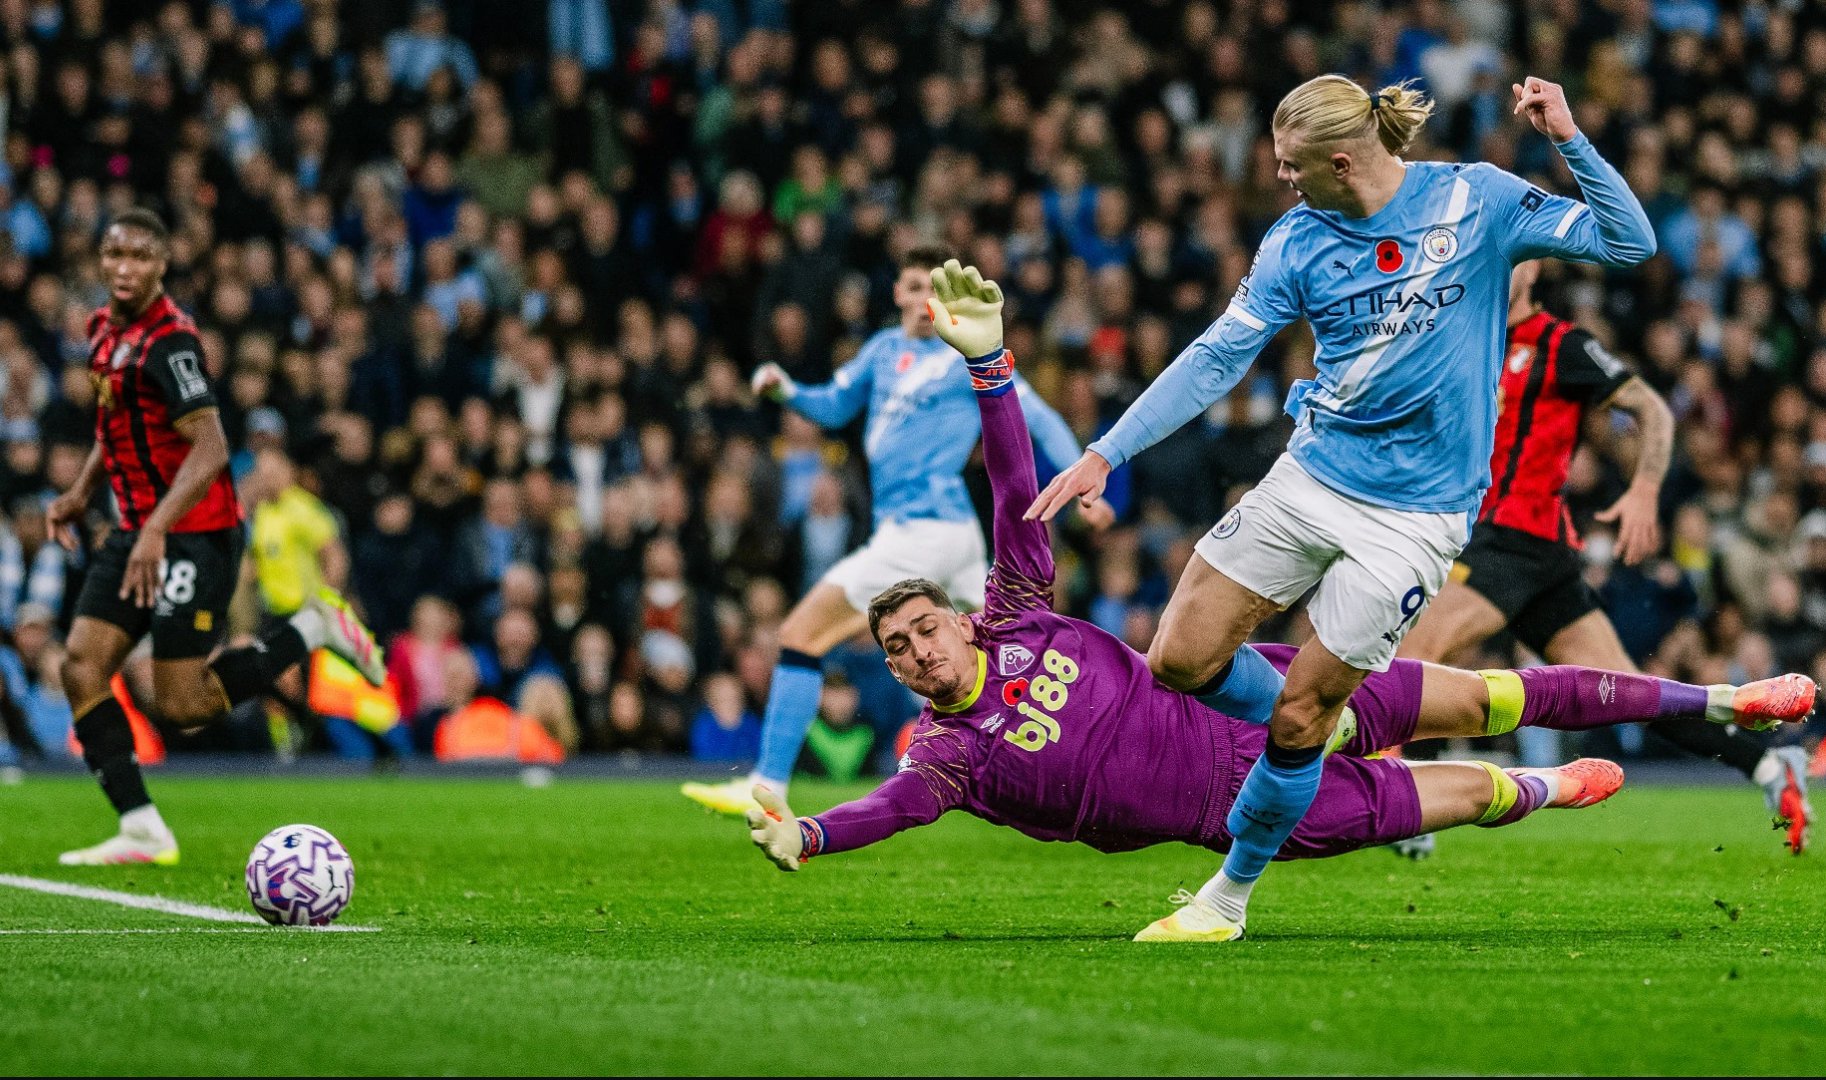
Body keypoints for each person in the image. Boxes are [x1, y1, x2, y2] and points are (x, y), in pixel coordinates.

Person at [740, 263, 1814, 941]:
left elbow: (1018, 494)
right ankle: (1533, 796)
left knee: (1498, 688)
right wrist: (814, 838)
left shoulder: (1012, 614)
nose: (917, 651)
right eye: (895, 649)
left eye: (922, 626)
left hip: (1263, 693)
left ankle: (1721, 698)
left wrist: (990, 369)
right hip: (1231, 807)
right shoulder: (944, 753)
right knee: (1448, 797)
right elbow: (896, 810)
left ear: (958, 615)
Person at [1026, 75, 1656, 933]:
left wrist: (1570, 139)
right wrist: (1107, 450)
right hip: (1311, 479)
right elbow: (1217, 357)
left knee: (1298, 713)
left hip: (1415, 520)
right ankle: (1333, 722)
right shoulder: (1294, 243)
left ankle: (1230, 895)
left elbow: (1629, 243)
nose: (1281, 180)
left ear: (1338, 159)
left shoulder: (1477, 199)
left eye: (1291, 166)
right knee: (1178, 658)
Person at [681, 243, 1112, 816]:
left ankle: (767, 789)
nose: (923, 300)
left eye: (935, 290)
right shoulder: (882, 352)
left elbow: (1039, 417)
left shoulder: (966, 354)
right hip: (950, 537)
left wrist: (1083, 479)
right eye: (914, 288)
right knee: (1020, 656)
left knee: (801, 634)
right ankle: (1095, 764)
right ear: (898, 295)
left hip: (923, 531)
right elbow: (835, 406)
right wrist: (788, 391)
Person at [1400, 261, 1815, 855]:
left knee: (1414, 656)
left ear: (1534, 267)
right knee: (1630, 691)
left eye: (1514, 254)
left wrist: (1644, 489)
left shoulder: (1562, 344)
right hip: (1510, 550)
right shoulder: (1469, 338)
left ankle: (1408, 803)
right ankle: (1771, 766)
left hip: (1518, 539)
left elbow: (1651, 409)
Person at [47, 209, 387, 867]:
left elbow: (210, 450)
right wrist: (85, 489)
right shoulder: (101, 331)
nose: (124, 268)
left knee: (183, 704)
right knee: (81, 665)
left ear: (163, 264)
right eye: (114, 254)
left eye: (140, 257)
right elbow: (115, 424)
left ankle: (312, 629)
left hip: (193, 534)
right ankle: (141, 824)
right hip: (139, 528)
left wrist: (154, 530)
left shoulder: (170, 344)